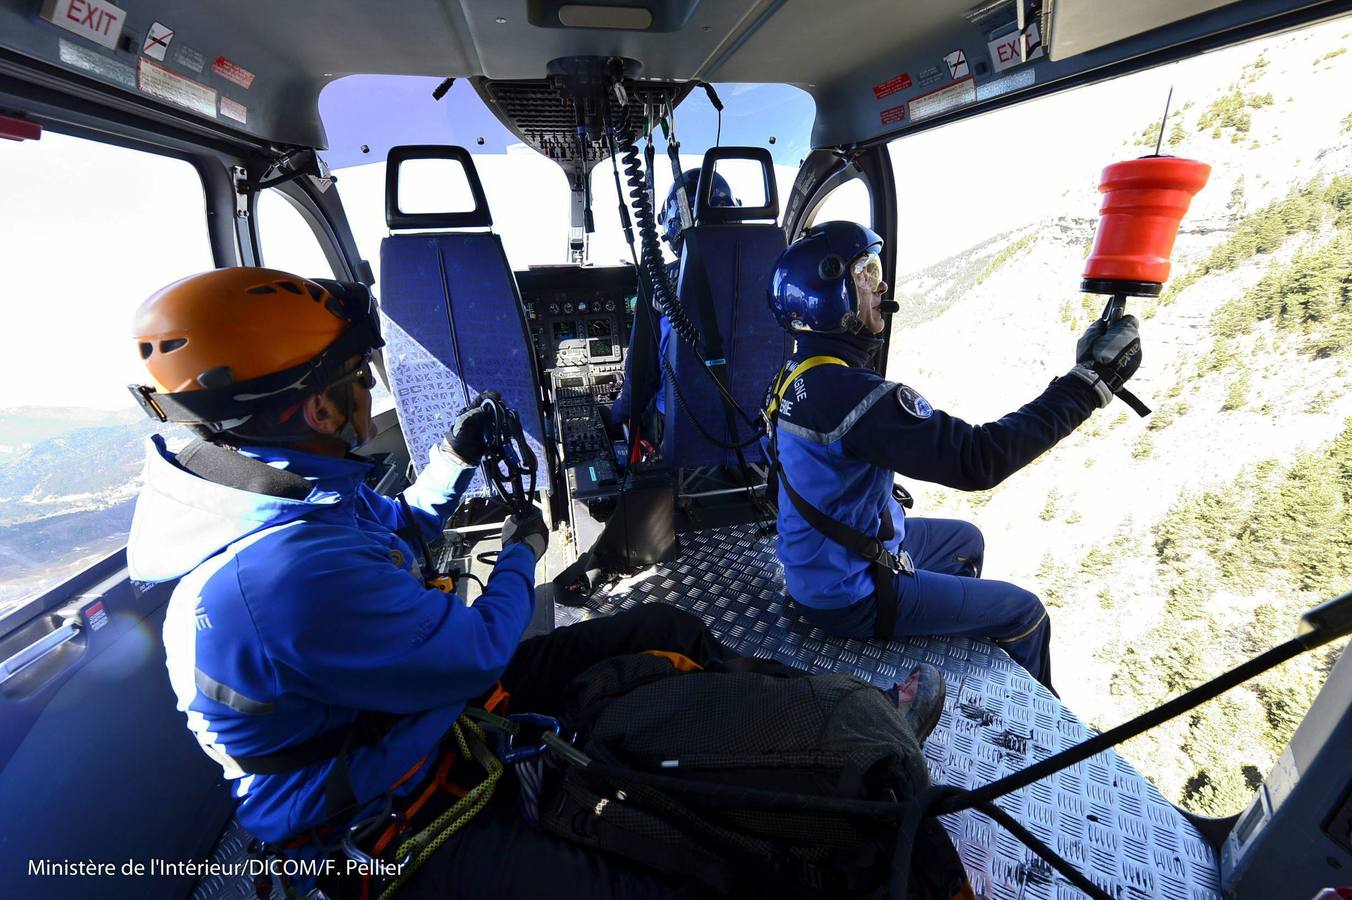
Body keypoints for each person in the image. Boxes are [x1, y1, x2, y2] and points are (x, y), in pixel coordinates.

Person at [126, 266, 945, 898]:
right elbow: (483, 652)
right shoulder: (282, 572)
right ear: (317, 410)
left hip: (409, 720)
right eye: (354, 381)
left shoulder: (281, 498)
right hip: (377, 822)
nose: (365, 390)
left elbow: (395, 529)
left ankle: (841, 719)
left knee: (663, 630)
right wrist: (524, 544)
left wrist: (453, 456)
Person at [763, 222, 1143, 693]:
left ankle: (939, 633)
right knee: (1026, 613)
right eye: (865, 274)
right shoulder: (848, 395)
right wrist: (1087, 385)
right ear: (830, 296)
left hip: (817, 563)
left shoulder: (796, 374)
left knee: (966, 540)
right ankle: (1044, 745)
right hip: (846, 594)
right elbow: (978, 459)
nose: (881, 284)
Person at [610, 168, 738, 439]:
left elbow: (641, 379)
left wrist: (615, 413)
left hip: (681, 428)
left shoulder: (663, 283)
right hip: (751, 425)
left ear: (671, 225)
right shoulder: (765, 274)